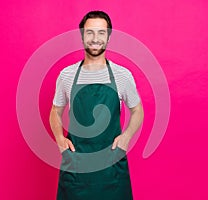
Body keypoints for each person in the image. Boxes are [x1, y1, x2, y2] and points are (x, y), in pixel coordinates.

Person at [49, 10, 144, 200]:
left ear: (108, 37)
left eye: (101, 33)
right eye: (89, 32)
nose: (95, 38)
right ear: (82, 35)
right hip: (76, 165)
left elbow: (137, 110)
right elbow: (55, 111)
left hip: (111, 166)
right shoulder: (67, 75)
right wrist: (60, 139)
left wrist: (126, 137)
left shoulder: (122, 75)